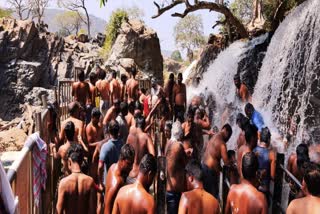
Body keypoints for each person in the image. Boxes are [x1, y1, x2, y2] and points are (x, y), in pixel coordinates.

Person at [56, 144, 96, 214]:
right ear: (82, 161)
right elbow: (92, 210)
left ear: (69, 161)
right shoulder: (90, 181)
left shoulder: (64, 183)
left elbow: (59, 211)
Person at [202, 124, 232, 199]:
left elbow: (214, 156)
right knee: (212, 197)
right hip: (210, 172)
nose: (228, 140)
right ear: (227, 132)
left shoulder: (214, 136)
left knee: (205, 195)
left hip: (203, 166)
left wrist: (220, 169)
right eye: (229, 137)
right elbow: (226, 163)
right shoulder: (222, 144)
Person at [104, 144, 135, 214]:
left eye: (132, 164)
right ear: (122, 159)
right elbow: (107, 208)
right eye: (129, 164)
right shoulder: (117, 182)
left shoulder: (113, 166)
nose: (131, 167)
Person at [127, 116, 155, 184]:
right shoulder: (146, 137)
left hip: (130, 175)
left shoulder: (130, 137)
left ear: (136, 125)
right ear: (144, 125)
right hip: (140, 177)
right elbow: (153, 155)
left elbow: (125, 153)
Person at [98, 120, 124, 188]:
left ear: (109, 130)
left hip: (109, 182)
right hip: (120, 181)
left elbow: (100, 166)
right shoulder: (122, 144)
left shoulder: (105, 147)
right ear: (118, 130)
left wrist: (100, 183)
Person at [253, 127, 276, 202]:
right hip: (264, 189)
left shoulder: (253, 150)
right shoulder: (271, 154)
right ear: (269, 140)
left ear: (260, 138)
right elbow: (272, 176)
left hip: (254, 187)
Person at [86, 108, 104, 179]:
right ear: (92, 117)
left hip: (100, 154)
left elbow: (102, 137)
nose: (98, 120)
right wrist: (99, 143)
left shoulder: (99, 126)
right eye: (97, 118)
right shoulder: (89, 128)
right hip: (92, 156)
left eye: (98, 118)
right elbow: (89, 144)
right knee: (93, 176)